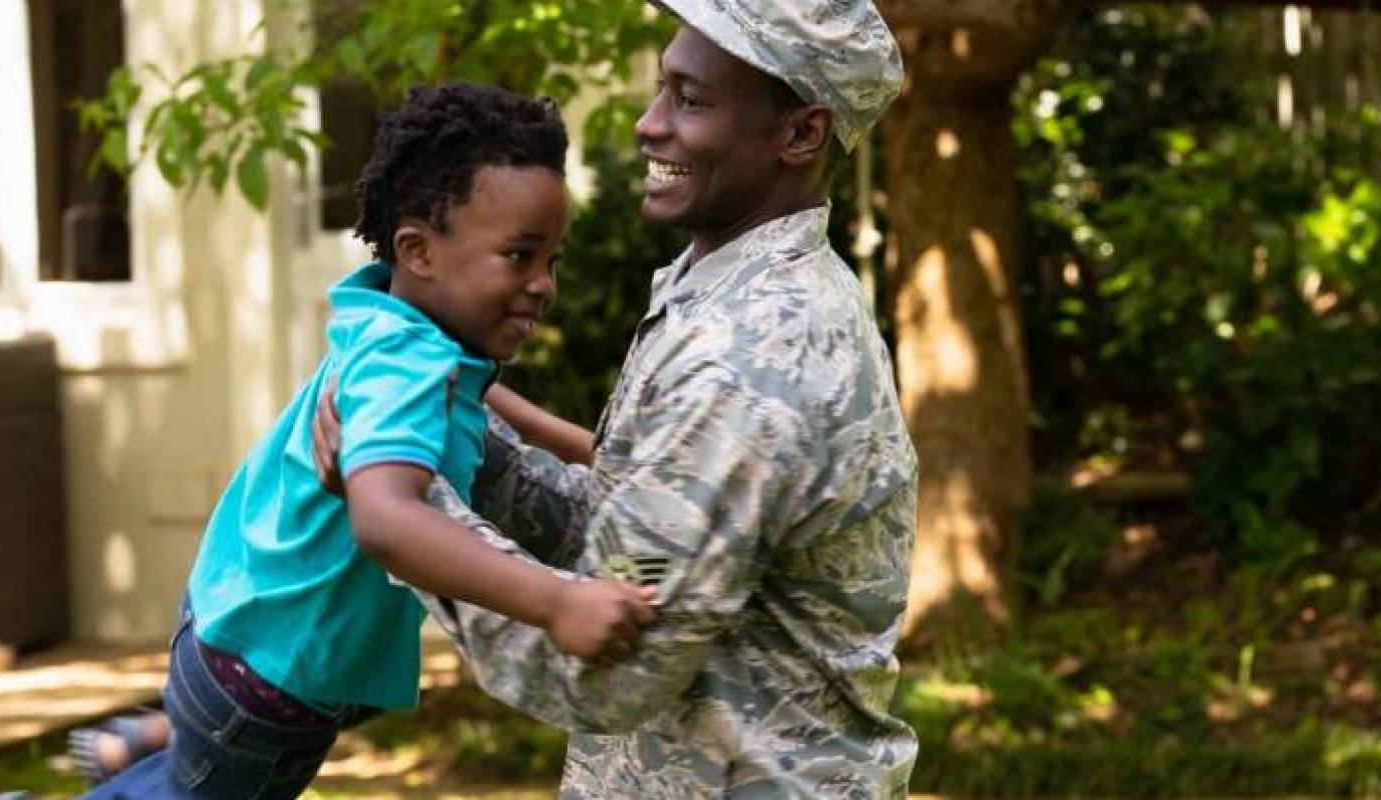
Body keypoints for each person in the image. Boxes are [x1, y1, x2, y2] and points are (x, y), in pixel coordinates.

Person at [315, 2, 919, 795]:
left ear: (800, 135)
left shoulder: (750, 359)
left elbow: (607, 676)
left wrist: (403, 504)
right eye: (661, 89)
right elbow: (627, 547)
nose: (647, 123)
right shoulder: (719, 299)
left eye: (690, 101)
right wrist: (450, 444)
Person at [84, 83, 655, 799]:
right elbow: (386, 518)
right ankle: (168, 750)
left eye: (552, 260)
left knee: (293, 711)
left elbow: (476, 392)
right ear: (418, 249)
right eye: (520, 256)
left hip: (238, 629)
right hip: (263, 689)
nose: (543, 285)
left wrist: (580, 444)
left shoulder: (400, 325)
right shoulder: (404, 361)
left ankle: (161, 739)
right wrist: (557, 602)